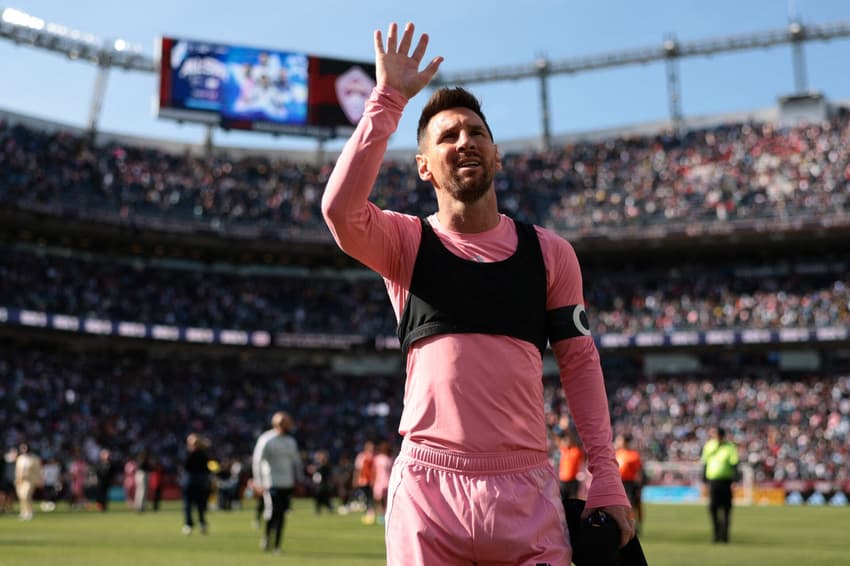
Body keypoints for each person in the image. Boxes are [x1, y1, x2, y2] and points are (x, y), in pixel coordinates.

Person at [321, 21, 633, 565]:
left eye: (475, 132)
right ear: (423, 166)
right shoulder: (405, 243)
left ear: (497, 155)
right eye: (447, 136)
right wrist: (388, 99)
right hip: (427, 491)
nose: (464, 140)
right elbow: (340, 213)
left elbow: (580, 365)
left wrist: (605, 475)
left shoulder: (549, 253)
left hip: (526, 492)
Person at [252, 411, 304, 554]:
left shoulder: (290, 442)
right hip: (271, 483)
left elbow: (296, 462)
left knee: (281, 514)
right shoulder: (266, 439)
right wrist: (258, 481)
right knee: (273, 512)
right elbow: (257, 461)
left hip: (286, 483)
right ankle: (267, 537)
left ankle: (277, 545)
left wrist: (299, 479)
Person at [701, 426, 739, 543]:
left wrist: (734, 480)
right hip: (713, 481)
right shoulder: (709, 446)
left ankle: (725, 535)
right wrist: (704, 480)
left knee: (726, 508)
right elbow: (705, 463)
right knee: (713, 508)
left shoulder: (730, 447)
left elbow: (734, 464)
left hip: (726, 481)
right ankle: (716, 534)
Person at [181, 433, 211, 535]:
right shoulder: (190, 453)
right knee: (189, 504)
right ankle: (189, 524)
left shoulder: (201, 453)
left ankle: (200, 523)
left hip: (197, 481)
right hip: (192, 481)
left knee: (199, 504)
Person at [615, 433, 644, 535]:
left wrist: (639, 487)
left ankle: (634, 526)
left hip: (630, 484)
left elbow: (639, 473)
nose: (618, 442)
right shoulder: (617, 453)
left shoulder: (633, 455)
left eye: (620, 440)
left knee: (632, 506)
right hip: (619, 483)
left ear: (625, 442)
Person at [14, 443, 42, 521]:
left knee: (26, 496)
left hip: (30, 480)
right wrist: (17, 479)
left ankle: (29, 512)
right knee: (22, 497)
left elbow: (38, 470)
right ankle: (23, 512)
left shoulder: (34, 458)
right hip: (20, 481)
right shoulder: (20, 458)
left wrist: (39, 480)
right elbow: (18, 470)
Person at [352, 440, 376, 524]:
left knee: (371, 498)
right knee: (366, 497)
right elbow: (358, 469)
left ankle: (370, 513)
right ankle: (367, 513)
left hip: (373, 481)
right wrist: (355, 480)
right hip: (364, 480)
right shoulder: (361, 456)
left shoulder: (374, 457)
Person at [558, 430, 586, 501]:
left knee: (573, 502)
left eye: (568, 440)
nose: (566, 442)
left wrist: (568, 431)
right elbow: (557, 440)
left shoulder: (576, 451)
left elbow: (583, 457)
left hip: (573, 481)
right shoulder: (563, 450)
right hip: (563, 481)